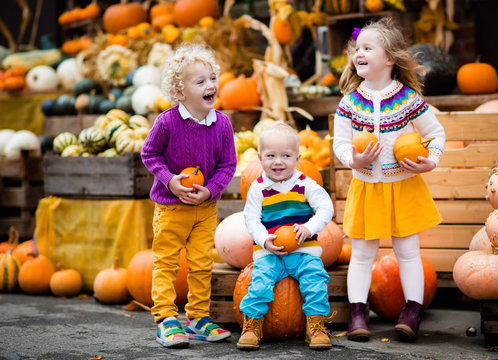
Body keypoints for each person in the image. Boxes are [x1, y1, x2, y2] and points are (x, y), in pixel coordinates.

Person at [332, 17, 446, 342]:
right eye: (358, 48)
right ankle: (358, 312)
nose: (359, 53)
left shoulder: (408, 99)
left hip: (404, 185)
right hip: (366, 187)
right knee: (362, 253)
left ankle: (412, 310)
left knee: (408, 252)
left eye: (368, 47)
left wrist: (430, 161)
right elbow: (339, 143)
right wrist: (353, 159)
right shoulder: (350, 102)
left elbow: (435, 133)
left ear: (390, 59)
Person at [141, 43, 237, 348]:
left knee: (201, 264)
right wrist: (170, 181)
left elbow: (228, 165)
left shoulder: (221, 124)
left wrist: (211, 189)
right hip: (171, 207)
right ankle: (166, 319)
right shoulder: (166, 122)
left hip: (205, 208)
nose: (210, 85)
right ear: (180, 93)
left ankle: (197, 318)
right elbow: (150, 154)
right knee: (166, 263)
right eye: (201, 82)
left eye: (212, 78)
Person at [237, 122, 335, 351]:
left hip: (303, 250)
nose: (278, 161)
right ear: (260, 158)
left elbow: (326, 208)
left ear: (297, 158)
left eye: (286, 156)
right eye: (271, 155)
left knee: (315, 281)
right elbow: (251, 218)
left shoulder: (306, 184)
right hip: (270, 251)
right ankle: (252, 325)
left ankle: (316, 326)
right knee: (259, 283)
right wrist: (264, 239)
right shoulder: (257, 188)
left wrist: (309, 228)